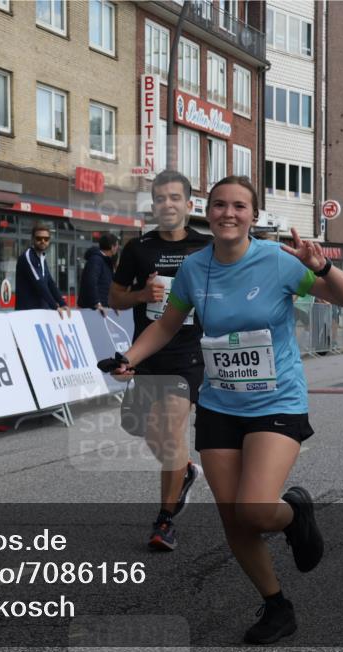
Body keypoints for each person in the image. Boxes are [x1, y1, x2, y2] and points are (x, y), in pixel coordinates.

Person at [104, 175, 343, 644]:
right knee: (233, 517)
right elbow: (166, 326)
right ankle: (275, 605)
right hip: (221, 402)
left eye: (239, 206)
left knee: (257, 510)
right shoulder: (193, 268)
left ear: (254, 215)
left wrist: (322, 268)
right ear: (208, 211)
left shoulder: (278, 262)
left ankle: (295, 514)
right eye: (220, 205)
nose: (228, 213)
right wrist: (130, 359)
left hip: (276, 400)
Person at [109, 170, 212, 551]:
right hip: (148, 351)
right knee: (144, 429)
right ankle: (184, 471)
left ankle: (165, 520)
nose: (167, 205)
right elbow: (116, 297)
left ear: (189, 204)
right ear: (153, 206)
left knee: (171, 433)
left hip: (188, 353)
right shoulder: (138, 249)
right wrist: (141, 295)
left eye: (174, 198)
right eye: (160, 199)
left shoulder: (207, 247)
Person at [14, 222, 68, 315]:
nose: (43, 241)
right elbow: (40, 284)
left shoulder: (42, 257)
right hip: (27, 312)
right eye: (39, 238)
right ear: (32, 239)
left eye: (46, 239)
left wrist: (63, 303)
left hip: (41, 310)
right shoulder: (28, 256)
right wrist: (55, 306)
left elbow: (50, 282)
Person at [78, 232, 119, 312]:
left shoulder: (106, 261)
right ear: (112, 247)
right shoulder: (96, 260)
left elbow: (107, 285)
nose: (117, 248)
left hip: (102, 307)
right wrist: (97, 303)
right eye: (117, 245)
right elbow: (91, 282)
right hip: (92, 309)